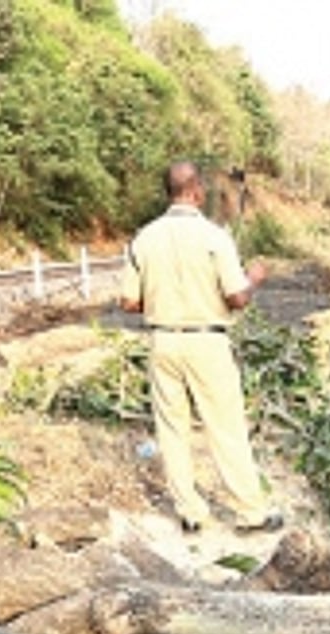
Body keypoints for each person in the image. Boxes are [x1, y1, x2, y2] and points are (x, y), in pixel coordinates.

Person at [119, 161, 282, 534]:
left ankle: (191, 513)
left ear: (169, 192)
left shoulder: (142, 239)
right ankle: (250, 513)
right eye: (203, 190)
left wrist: (162, 303)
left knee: (172, 429)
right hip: (207, 341)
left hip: (162, 341)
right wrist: (253, 278)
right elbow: (237, 298)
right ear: (194, 191)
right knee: (224, 426)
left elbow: (129, 302)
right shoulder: (215, 237)